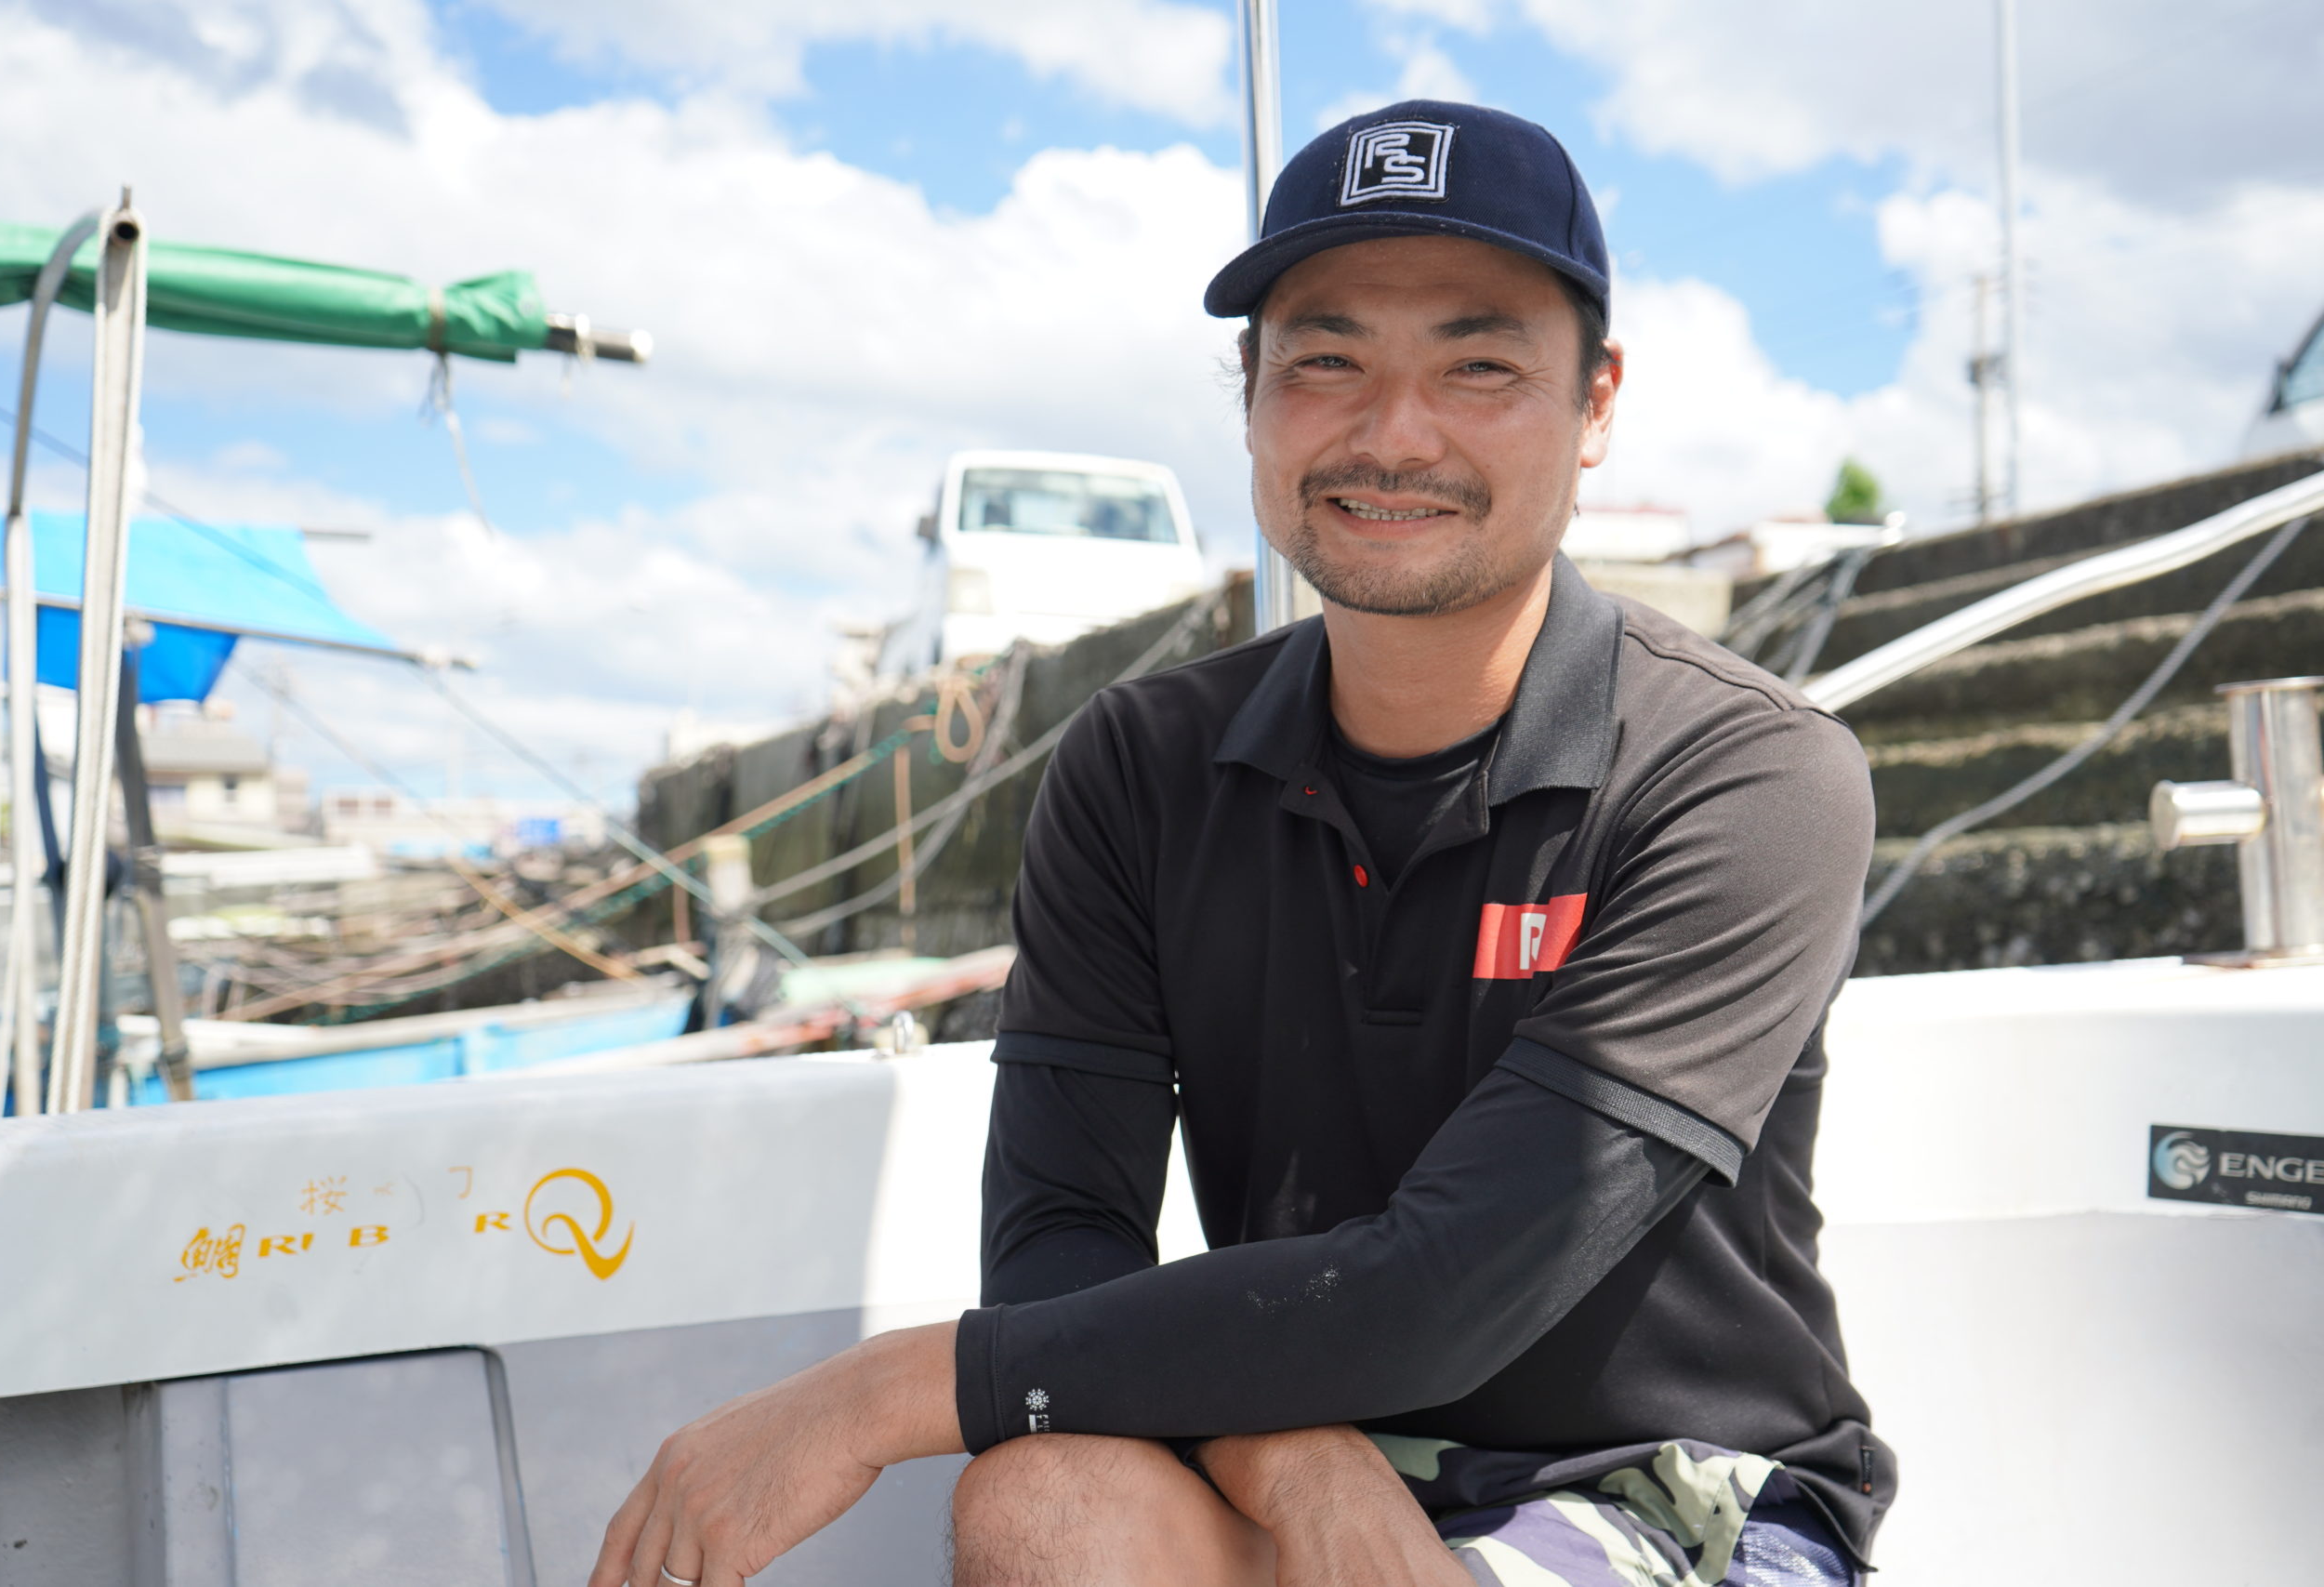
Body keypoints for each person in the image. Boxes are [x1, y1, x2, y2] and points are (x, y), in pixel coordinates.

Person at [589, 99, 1892, 1587]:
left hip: (1674, 1493)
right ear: (1255, 400)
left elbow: (1454, 1286)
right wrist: (1295, 1454)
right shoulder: (1138, 766)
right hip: (1298, 1437)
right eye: (1326, 362)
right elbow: (1062, 1235)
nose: (1394, 434)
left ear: (1596, 405)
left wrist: (877, 1397)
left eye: (1478, 366)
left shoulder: (1746, 777)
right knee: (1042, 1504)